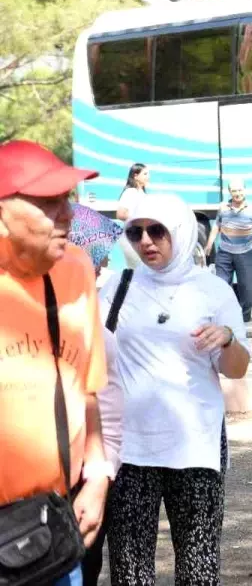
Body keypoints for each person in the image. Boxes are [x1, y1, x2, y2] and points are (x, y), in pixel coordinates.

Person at [102, 193, 251, 586]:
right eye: (135, 232)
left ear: (181, 232)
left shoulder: (213, 290)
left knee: (198, 568)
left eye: (157, 231)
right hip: (129, 448)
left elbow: (237, 370)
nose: (146, 241)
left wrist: (228, 340)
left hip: (195, 445)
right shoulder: (117, 286)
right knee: (130, 571)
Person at [0, 141, 110, 586]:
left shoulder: (77, 270)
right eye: (49, 202)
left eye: (67, 198)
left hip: (50, 527)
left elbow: (87, 388)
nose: (68, 214)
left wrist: (99, 474)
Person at [68, 207, 127, 586]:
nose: (107, 258)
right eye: (100, 250)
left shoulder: (92, 313)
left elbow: (107, 405)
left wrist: (102, 473)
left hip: (86, 470)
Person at [205, 178, 252, 324]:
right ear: (230, 192)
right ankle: (222, 317)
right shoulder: (223, 207)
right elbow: (217, 225)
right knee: (221, 285)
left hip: (245, 253)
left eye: (240, 190)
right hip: (225, 252)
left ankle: (245, 318)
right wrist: (209, 243)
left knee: (247, 288)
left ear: (245, 191)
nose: (237, 194)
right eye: (234, 191)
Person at [115, 163, 150, 267]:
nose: (148, 177)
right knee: (138, 269)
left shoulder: (142, 193)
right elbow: (120, 214)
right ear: (135, 175)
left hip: (141, 236)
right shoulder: (130, 192)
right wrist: (139, 217)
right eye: (145, 174)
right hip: (132, 238)